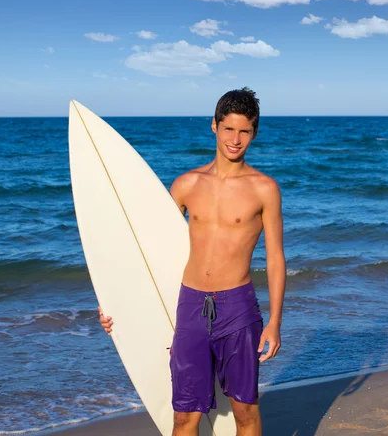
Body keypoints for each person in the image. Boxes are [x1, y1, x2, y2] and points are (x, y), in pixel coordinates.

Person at [99, 87, 286, 436]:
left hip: (239, 308)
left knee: (245, 410)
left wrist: (275, 321)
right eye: (228, 128)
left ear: (254, 133)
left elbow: (275, 257)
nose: (236, 138)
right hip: (191, 306)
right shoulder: (186, 185)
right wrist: (113, 304)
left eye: (245, 130)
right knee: (185, 415)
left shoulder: (264, 189)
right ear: (214, 126)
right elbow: (147, 252)